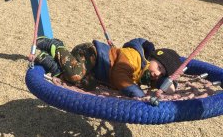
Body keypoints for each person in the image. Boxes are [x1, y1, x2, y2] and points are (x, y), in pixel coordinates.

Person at [34, 36, 182, 98]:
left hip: (95, 72)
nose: (157, 73)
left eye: (161, 74)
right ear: (152, 58)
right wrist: (137, 93)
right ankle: (57, 45)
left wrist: (169, 81)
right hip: (92, 54)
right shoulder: (134, 56)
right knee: (76, 74)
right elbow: (119, 76)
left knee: (88, 85)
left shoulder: (147, 76)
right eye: (159, 67)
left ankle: (50, 63)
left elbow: (168, 88)